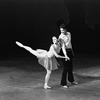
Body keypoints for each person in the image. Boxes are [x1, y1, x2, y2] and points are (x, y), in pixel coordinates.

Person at [59, 24, 78, 88]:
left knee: (70, 67)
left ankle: (71, 80)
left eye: (62, 30)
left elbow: (70, 43)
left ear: (65, 29)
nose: (61, 32)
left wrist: (71, 52)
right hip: (64, 52)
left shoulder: (69, 33)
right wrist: (65, 55)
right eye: (60, 30)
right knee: (65, 68)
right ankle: (63, 83)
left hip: (70, 51)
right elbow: (63, 47)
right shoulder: (61, 37)